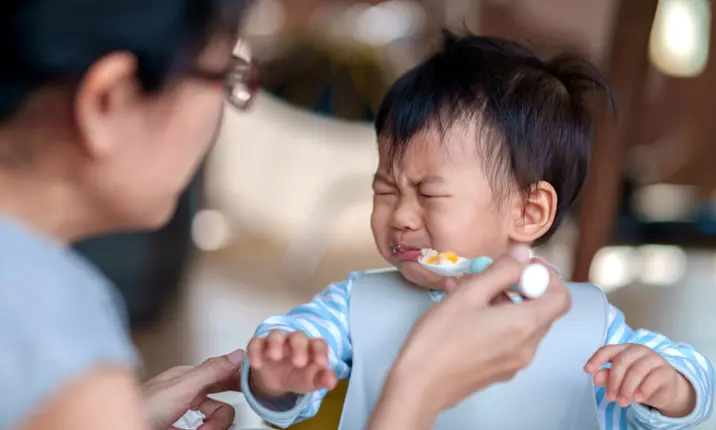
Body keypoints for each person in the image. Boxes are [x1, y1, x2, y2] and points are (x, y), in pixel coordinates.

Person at [0, 2, 574, 430]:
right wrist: (415, 392)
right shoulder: (60, 340)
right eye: (225, 77)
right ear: (111, 100)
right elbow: (291, 358)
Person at [241, 31, 715, 430]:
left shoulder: (583, 324)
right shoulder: (354, 306)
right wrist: (280, 372)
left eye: (429, 194)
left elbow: (694, 380)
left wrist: (670, 388)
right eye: (386, 191)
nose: (401, 215)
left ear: (528, 212)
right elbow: (291, 353)